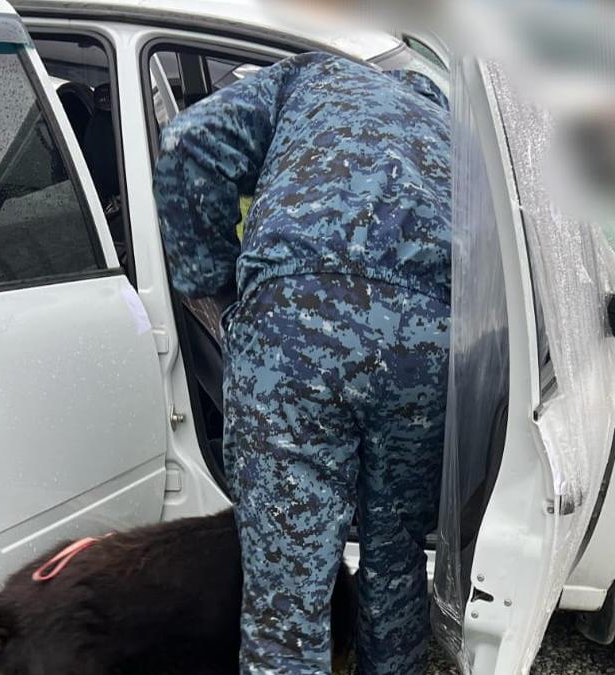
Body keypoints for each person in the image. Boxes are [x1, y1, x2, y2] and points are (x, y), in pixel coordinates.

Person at [154, 51, 451, 675]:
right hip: (423, 348)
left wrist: (217, 287)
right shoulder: (453, 131)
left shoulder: (311, 77)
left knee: (287, 598)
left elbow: (187, 142)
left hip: (292, 334)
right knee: (396, 560)